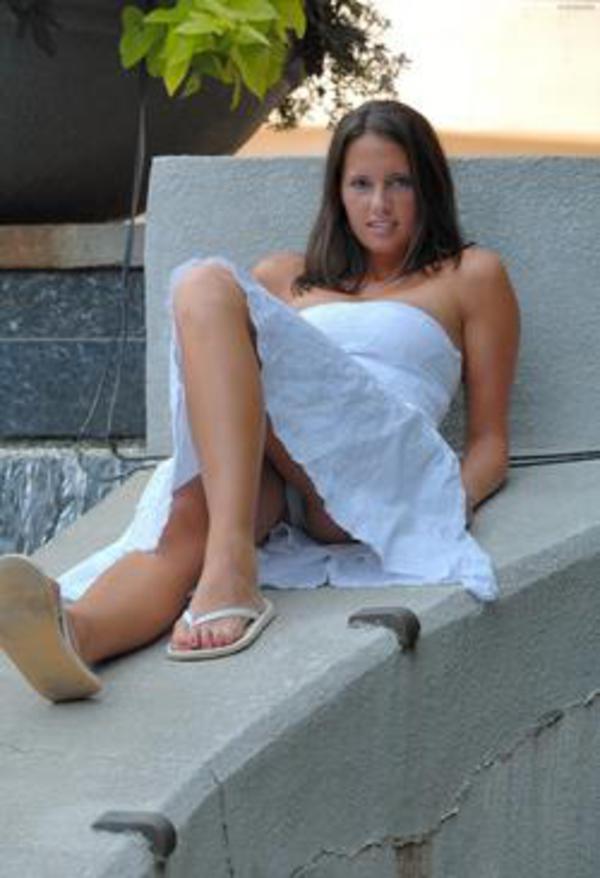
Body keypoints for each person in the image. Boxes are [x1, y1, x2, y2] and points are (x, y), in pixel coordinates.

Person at [0, 100, 519, 702]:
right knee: (189, 522)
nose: (379, 204)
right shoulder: (285, 276)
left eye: (398, 182)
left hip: (383, 468)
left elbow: (490, 441)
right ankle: (79, 635)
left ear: (428, 185)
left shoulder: (470, 275)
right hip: (287, 473)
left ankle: (231, 571)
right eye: (361, 184)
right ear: (337, 193)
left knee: (203, 282)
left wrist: (452, 503)